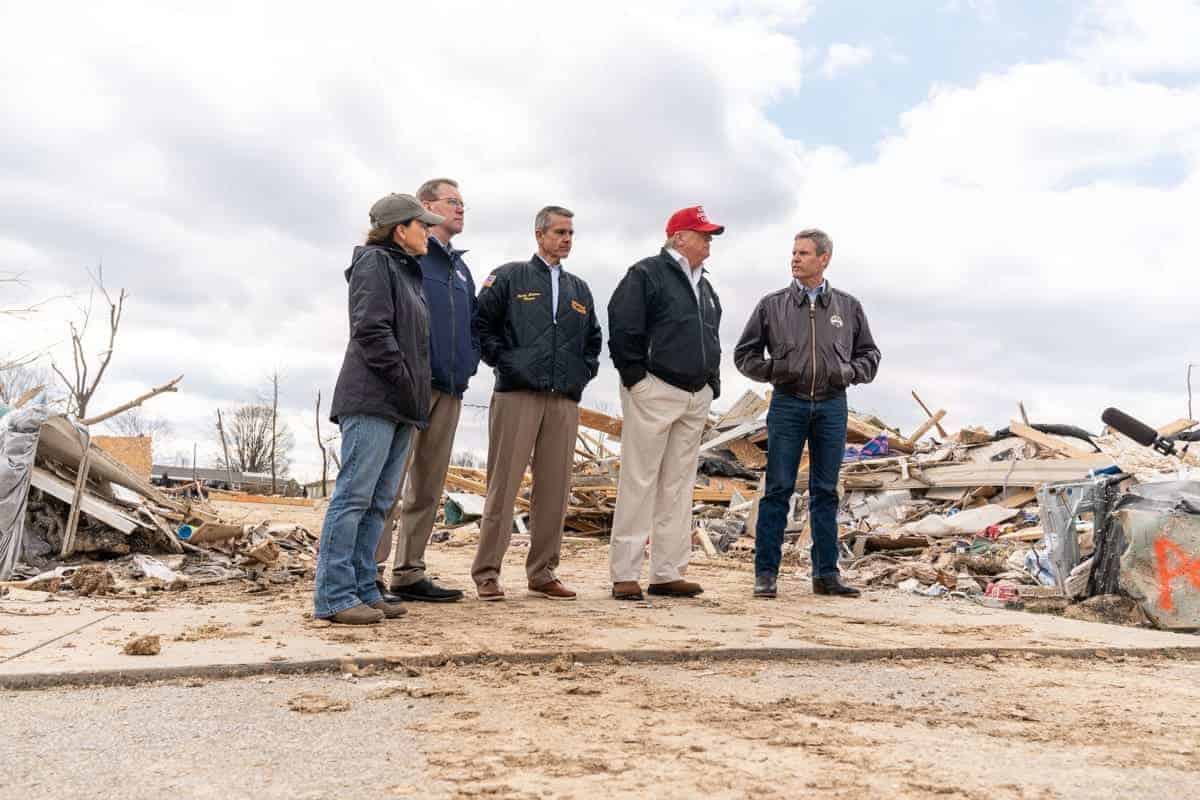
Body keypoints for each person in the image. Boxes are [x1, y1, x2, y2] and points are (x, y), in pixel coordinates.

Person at [313, 194, 443, 625]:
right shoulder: (374, 263)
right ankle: (333, 596)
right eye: (422, 224)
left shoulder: (407, 272)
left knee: (379, 502)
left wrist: (412, 394)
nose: (429, 231)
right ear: (398, 229)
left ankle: (365, 586)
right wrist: (406, 384)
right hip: (373, 399)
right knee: (354, 497)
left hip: (401, 404)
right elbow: (371, 330)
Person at [733, 228, 881, 599]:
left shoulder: (847, 307)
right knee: (778, 488)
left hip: (833, 405)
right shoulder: (772, 305)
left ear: (824, 259)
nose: (795, 259)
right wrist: (776, 371)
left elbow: (870, 356)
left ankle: (826, 575)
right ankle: (765, 574)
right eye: (793, 252)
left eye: (803, 253)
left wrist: (849, 373)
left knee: (826, 491)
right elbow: (745, 355)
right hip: (788, 403)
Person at [471, 205, 603, 601]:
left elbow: (593, 341)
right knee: (504, 485)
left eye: (571, 233)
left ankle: (543, 571)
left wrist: (581, 373)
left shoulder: (580, 290)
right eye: (560, 232)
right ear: (539, 234)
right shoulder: (510, 277)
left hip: (562, 400)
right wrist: (506, 362)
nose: (567, 239)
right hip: (517, 395)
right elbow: (480, 325)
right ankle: (487, 572)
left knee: (555, 489)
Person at [606, 206, 724, 601]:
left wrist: (713, 385)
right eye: (702, 234)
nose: (708, 241)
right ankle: (625, 572)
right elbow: (623, 325)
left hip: (694, 395)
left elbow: (712, 335)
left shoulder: (704, 287)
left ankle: (668, 572)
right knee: (639, 480)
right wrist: (636, 379)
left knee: (678, 486)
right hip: (655, 389)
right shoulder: (646, 274)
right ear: (678, 238)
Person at [374, 178, 479, 604]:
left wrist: (468, 365)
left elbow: (472, 324)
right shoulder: (410, 257)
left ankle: (409, 571)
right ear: (425, 206)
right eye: (452, 202)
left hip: (450, 388)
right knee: (388, 484)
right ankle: (370, 571)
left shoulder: (460, 267)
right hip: (410, 385)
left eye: (463, 203)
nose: (460, 209)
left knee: (428, 487)